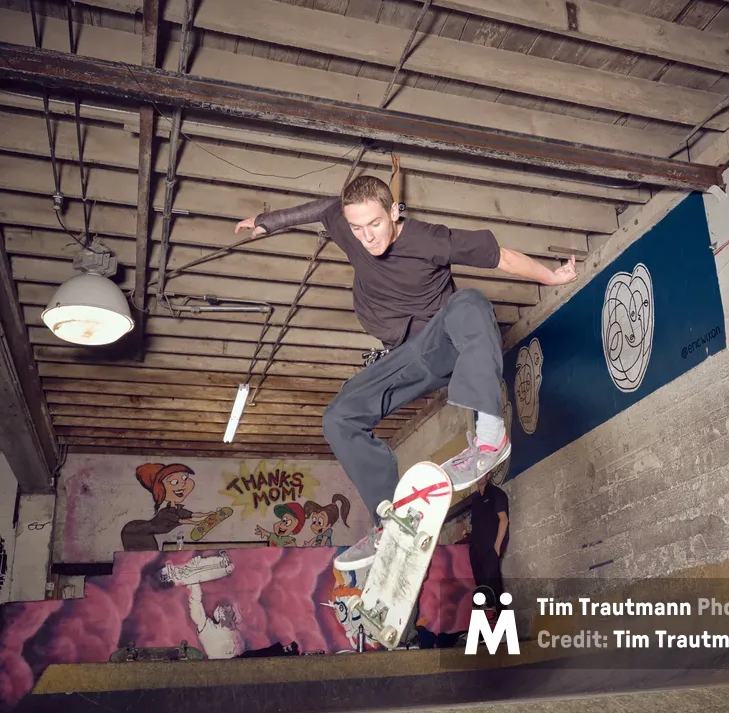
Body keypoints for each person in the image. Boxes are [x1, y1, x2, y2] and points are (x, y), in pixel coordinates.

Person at [233, 175, 576, 569]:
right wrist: (267, 221)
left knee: (469, 302)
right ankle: (390, 522)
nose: (367, 237)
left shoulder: (430, 239)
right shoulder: (347, 224)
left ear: (394, 211)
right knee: (338, 417)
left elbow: (502, 257)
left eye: (375, 224)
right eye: (357, 227)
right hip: (404, 356)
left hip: (443, 342)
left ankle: (489, 439)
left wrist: (551, 277)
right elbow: (321, 208)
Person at [465, 473, 510, 605]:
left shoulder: (496, 493)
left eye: (482, 473)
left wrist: (497, 548)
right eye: (477, 473)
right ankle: (489, 617)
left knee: (495, 589)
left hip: (490, 549)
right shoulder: (475, 499)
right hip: (476, 550)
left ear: (489, 475)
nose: (479, 476)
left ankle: (502, 617)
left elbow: (504, 520)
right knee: (482, 590)